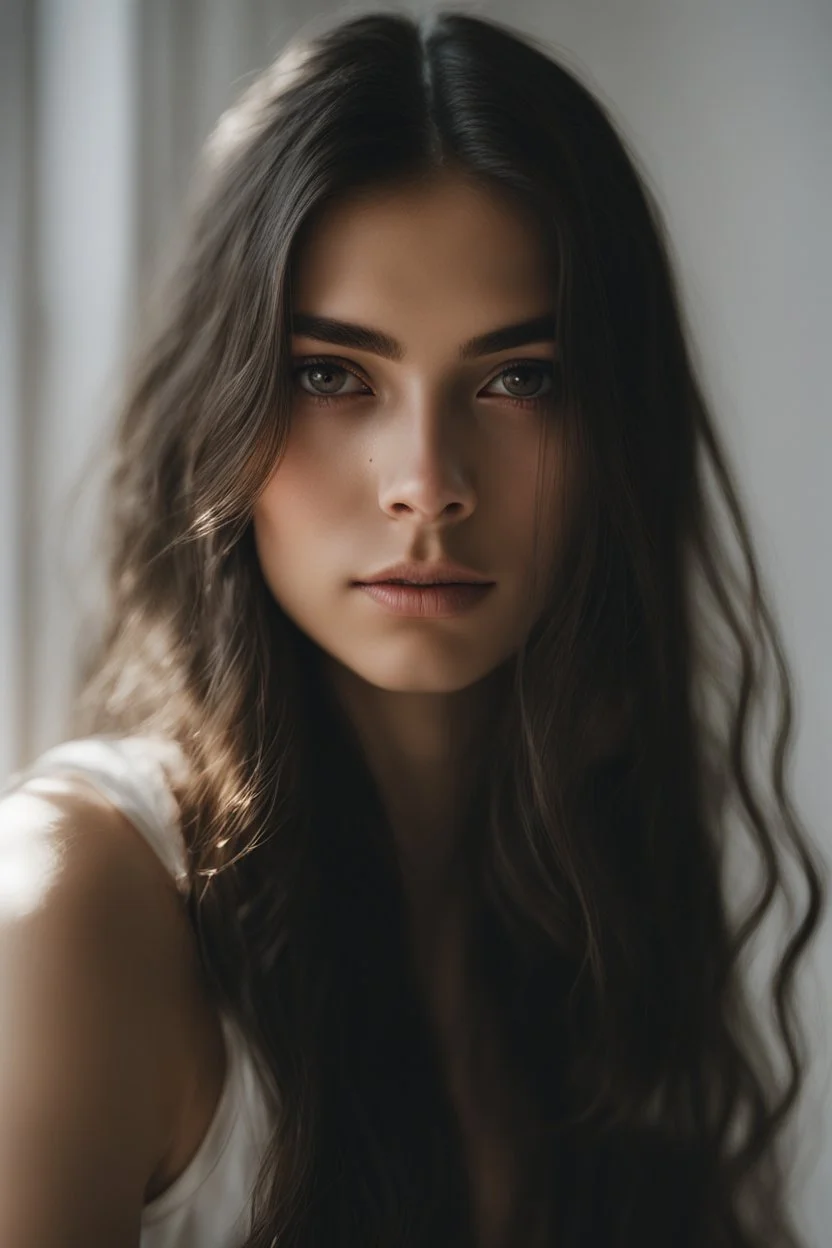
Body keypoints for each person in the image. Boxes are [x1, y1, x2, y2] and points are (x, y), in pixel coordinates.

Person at [0, 9, 824, 1248]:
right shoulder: (77, 912)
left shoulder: (592, 894)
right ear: (221, 411)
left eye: (519, 377)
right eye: (333, 375)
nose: (427, 481)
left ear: (618, 435)